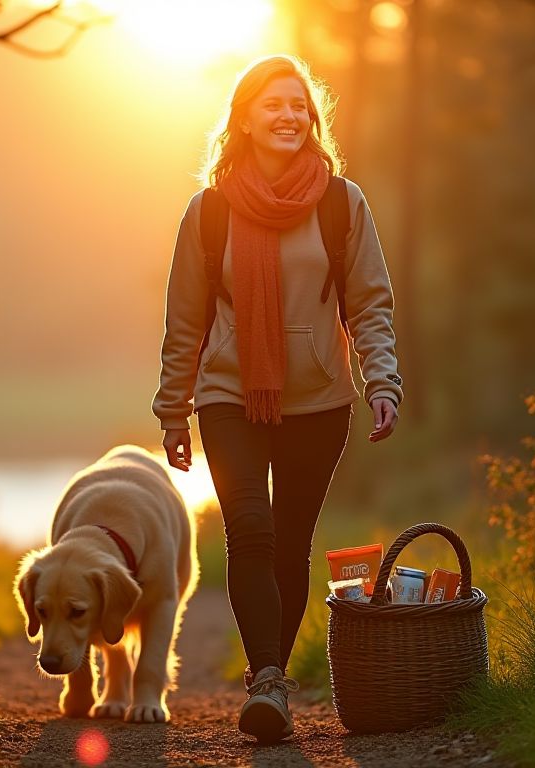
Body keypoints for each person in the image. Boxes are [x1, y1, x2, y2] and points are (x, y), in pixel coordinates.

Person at [153, 55, 402, 743]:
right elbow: (186, 322)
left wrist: (382, 380)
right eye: (274, 104)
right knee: (251, 532)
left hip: (319, 400)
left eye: (299, 104)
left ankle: (273, 679)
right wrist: (173, 407)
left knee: (291, 544)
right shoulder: (208, 214)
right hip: (230, 394)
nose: (289, 115)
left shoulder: (340, 202)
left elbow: (370, 306)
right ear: (244, 120)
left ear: (311, 118)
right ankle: (268, 680)